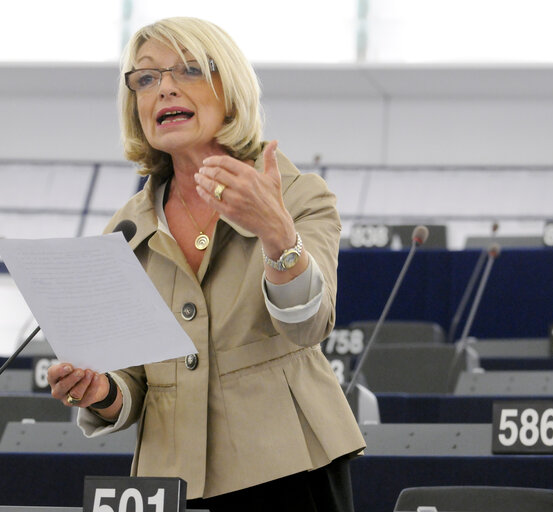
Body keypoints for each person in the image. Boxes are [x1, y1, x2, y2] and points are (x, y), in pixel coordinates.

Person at [46, 16, 365, 511]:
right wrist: (100, 389)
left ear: (230, 88)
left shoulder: (299, 196)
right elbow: (132, 383)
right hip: (169, 482)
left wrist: (277, 233)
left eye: (188, 70)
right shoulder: (124, 229)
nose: (164, 88)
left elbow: (310, 325)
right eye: (146, 78)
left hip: (290, 466)